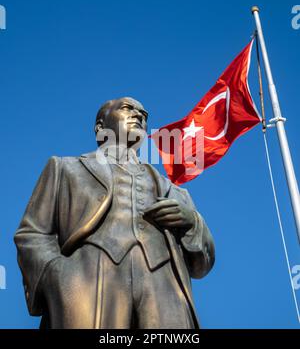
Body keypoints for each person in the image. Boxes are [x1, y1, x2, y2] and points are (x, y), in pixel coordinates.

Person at [14, 97, 215, 329]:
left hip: (164, 286)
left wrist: (193, 223)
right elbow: (32, 233)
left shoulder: (175, 191)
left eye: (144, 115)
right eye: (128, 109)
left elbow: (202, 265)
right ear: (100, 126)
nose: (139, 116)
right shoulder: (65, 168)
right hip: (89, 281)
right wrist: (56, 275)